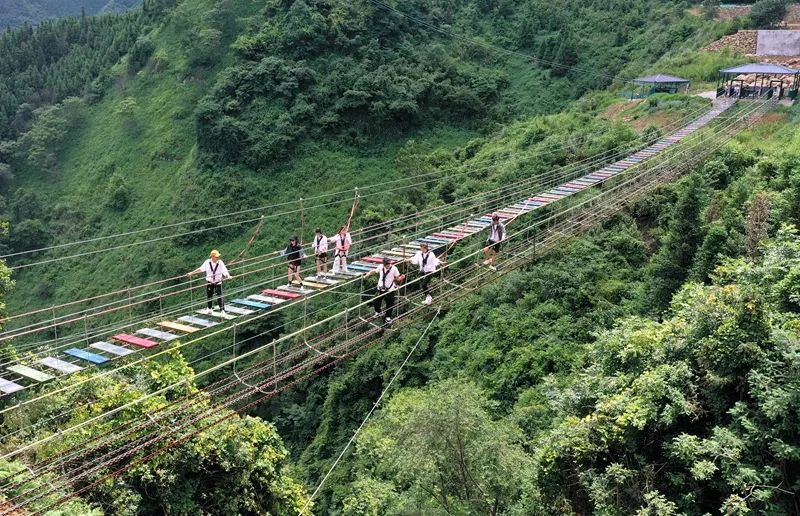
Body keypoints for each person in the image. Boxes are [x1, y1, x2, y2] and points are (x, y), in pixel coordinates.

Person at [188, 249, 232, 314]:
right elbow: (201, 269)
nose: (218, 258)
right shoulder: (207, 262)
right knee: (209, 295)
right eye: (216, 257)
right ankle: (209, 308)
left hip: (218, 282)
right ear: (212, 257)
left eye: (218, 257)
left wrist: (228, 276)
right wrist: (192, 273)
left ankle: (222, 310)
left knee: (219, 296)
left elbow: (224, 270)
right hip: (210, 281)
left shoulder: (220, 262)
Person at [365, 257, 401, 323]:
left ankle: (388, 317)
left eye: (389, 264)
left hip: (390, 289)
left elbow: (397, 278)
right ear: (384, 264)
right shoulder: (381, 267)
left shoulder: (394, 269)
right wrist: (368, 274)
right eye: (387, 264)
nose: (388, 265)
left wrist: (399, 279)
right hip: (381, 288)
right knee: (376, 301)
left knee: (390, 304)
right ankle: (379, 312)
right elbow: (375, 271)